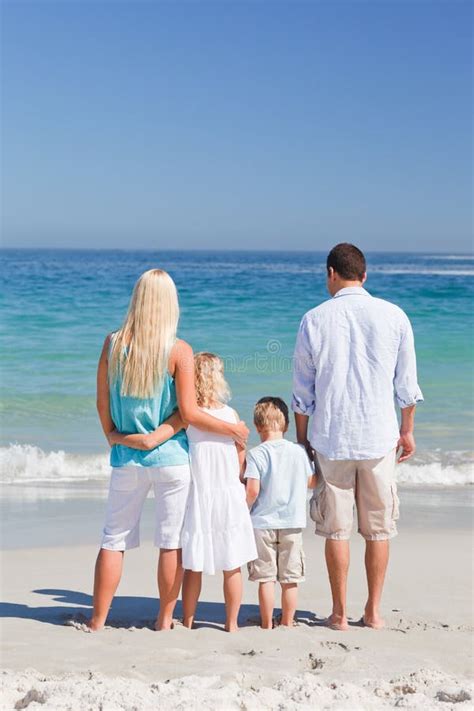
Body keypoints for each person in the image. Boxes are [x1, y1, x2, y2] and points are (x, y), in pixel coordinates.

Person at [89, 268, 248, 632]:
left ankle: (97, 621)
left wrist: (115, 436)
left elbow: (101, 403)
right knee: (171, 543)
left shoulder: (112, 343)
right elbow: (190, 413)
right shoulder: (179, 350)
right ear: (170, 304)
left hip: (127, 458)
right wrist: (233, 430)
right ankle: (164, 621)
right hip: (172, 460)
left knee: (113, 540)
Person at [292, 243, 423, 631]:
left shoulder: (313, 319)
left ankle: (337, 613)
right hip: (378, 437)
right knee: (378, 529)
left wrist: (302, 442)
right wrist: (407, 430)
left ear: (331, 273)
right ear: (364, 276)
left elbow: (302, 394)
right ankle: (374, 611)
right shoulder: (395, 316)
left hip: (331, 438)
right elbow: (407, 385)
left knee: (337, 529)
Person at [180, 353, 257, 633]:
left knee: (193, 564)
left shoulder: (187, 417)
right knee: (232, 563)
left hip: (200, 492)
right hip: (227, 493)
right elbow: (240, 456)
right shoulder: (231, 415)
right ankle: (232, 623)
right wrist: (237, 482)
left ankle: (187, 621)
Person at [244, 397, 316, 629]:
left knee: (265, 578)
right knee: (290, 578)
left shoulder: (255, 454)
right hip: (292, 522)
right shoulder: (297, 451)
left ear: (256, 427)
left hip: (262, 523)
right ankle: (287, 621)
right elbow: (311, 482)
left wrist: (243, 512)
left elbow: (253, 490)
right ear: (286, 426)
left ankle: (266, 623)